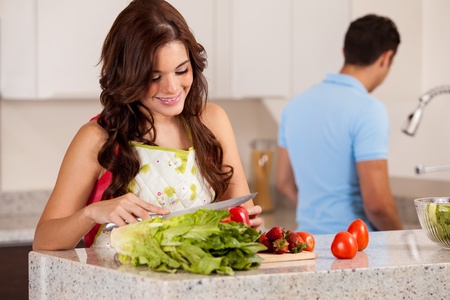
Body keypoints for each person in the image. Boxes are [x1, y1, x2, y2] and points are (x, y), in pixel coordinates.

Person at [33, 0, 262, 251]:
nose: (172, 88)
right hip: (117, 289)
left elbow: (243, 218)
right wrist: (91, 214)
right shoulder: (96, 138)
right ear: (127, 76)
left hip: (201, 285)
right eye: (154, 77)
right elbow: (44, 240)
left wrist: (247, 225)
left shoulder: (213, 121)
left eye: (181, 70)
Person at [276, 14, 403, 235]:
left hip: (308, 243)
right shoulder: (369, 110)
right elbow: (378, 206)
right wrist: (404, 241)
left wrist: (320, 217)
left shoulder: (295, 106)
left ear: (344, 52)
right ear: (386, 58)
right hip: (357, 249)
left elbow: (284, 182)